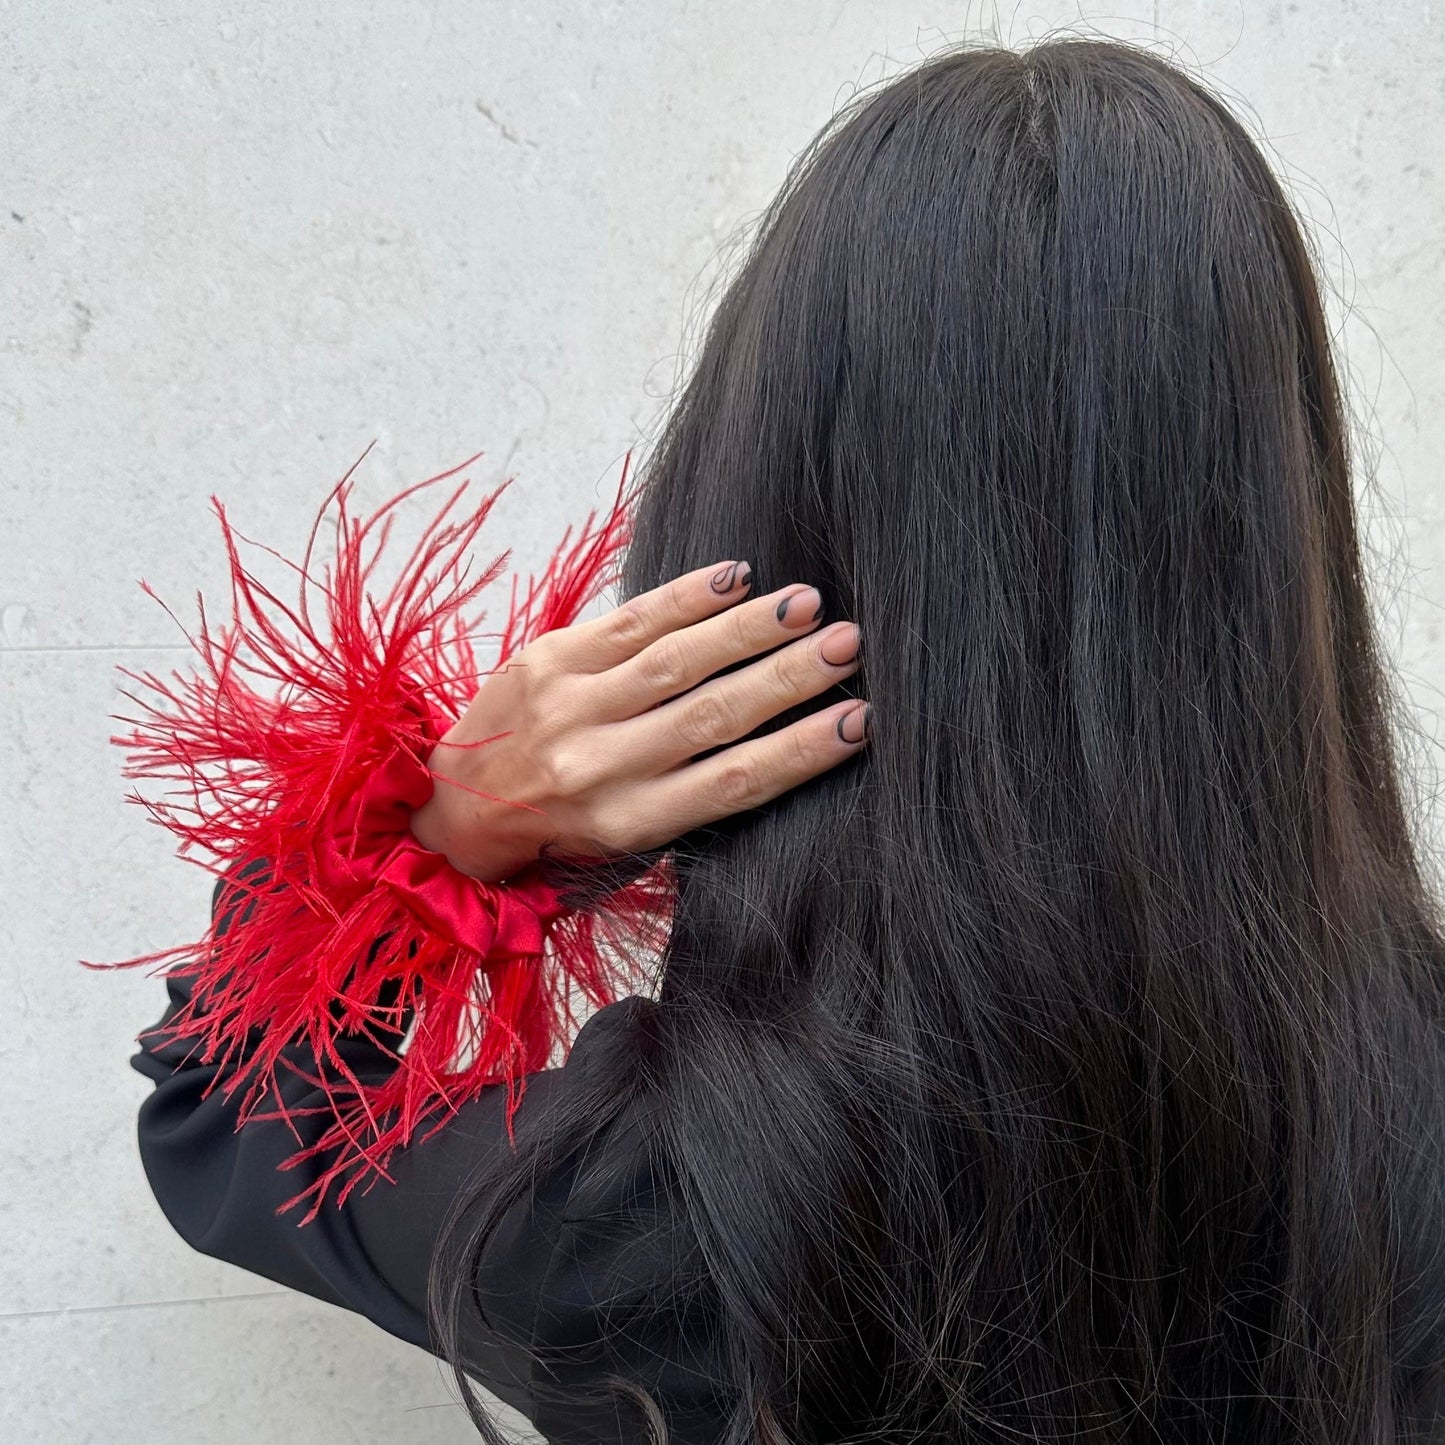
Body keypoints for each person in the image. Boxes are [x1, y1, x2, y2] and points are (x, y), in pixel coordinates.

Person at [118, 35, 1445, 1445]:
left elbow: (224, 1109)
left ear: (744, 513)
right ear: (1276, 554)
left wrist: (449, 830)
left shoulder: (639, 1218)